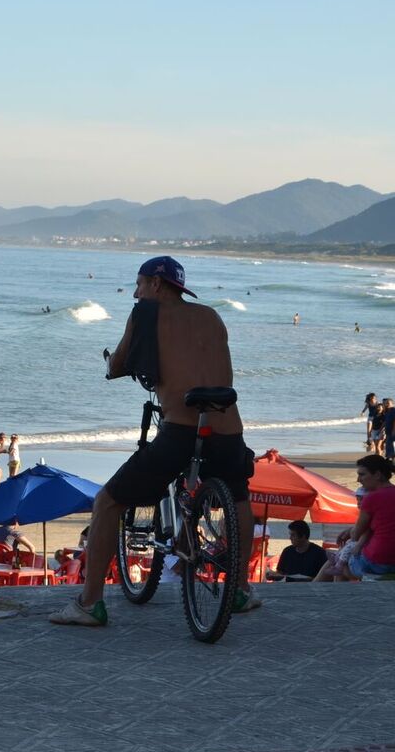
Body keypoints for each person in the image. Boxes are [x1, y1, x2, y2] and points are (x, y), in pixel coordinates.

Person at [53, 255, 259, 626]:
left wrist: (112, 366)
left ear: (157, 285)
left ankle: (89, 603)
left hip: (181, 429)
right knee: (238, 496)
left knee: (107, 501)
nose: (135, 292)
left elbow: (119, 362)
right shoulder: (211, 316)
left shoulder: (145, 313)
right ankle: (240, 590)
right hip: (228, 427)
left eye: (139, 284)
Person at [313, 455, 395, 580]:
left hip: (376, 563)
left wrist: (351, 531)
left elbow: (356, 535)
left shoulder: (372, 498)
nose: (358, 479)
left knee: (337, 561)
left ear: (378, 475)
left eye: (362, 474)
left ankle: (325, 593)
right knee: (342, 559)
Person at [380, 397, 395, 463]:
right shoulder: (387, 411)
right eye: (386, 403)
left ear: (392, 403)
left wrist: (394, 430)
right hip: (388, 430)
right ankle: (390, 457)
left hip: (393, 430)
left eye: (388, 403)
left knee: (389, 443)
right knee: (388, 443)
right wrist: (381, 429)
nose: (386, 404)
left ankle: (391, 457)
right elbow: (385, 421)